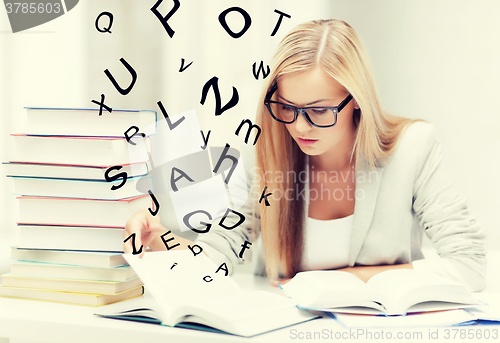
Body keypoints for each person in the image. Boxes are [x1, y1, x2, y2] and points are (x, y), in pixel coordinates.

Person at [124, 19, 486, 292]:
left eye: (318, 111)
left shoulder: (413, 148)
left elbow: (469, 265)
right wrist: (160, 241)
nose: (299, 127)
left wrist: (346, 281)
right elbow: (220, 253)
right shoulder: (265, 154)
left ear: (356, 103)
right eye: (287, 107)